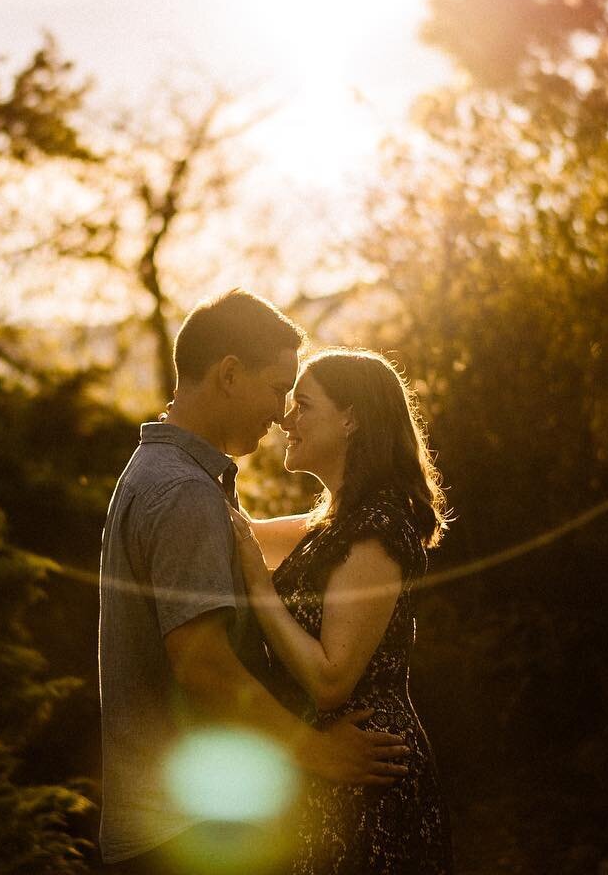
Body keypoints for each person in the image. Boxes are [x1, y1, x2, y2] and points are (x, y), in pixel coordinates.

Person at [98, 292, 411, 875]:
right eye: (276, 388)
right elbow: (202, 664)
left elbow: (335, 529)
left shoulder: (176, 479)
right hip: (183, 831)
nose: (280, 411)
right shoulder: (183, 492)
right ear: (229, 374)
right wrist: (318, 752)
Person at [229, 347, 454, 874]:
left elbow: (332, 680)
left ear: (351, 418)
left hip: (368, 774)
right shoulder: (333, 523)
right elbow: (238, 532)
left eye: (303, 405)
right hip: (330, 768)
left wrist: (259, 589)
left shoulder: (376, 529)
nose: (287, 419)